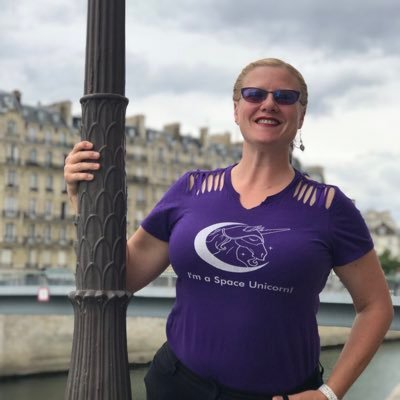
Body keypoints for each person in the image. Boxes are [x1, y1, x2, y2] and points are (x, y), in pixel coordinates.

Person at [64, 58, 394, 400]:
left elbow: (376, 306)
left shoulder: (328, 207)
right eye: (254, 94)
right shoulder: (191, 189)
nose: (269, 103)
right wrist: (84, 202)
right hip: (177, 386)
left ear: (302, 114)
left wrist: (329, 393)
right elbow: (125, 275)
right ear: (236, 109)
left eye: (285, 96)